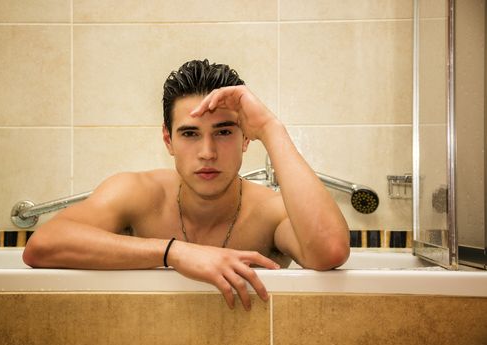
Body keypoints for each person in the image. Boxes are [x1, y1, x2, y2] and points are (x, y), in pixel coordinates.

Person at [23, 59, 350, 311]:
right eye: (190, 134)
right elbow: (42, 246)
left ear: (246, 139)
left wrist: (270, 127)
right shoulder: (137, 193)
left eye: (224, 132)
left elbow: (329, 251)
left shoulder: (269, 211)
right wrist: (174, 253)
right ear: (168, 139)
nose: (207, 153)